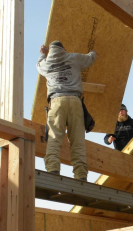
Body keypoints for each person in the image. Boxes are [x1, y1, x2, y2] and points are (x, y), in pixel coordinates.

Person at [36, 40, 97, 181]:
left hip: (56, 102)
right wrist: (93, 50)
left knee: (54, 138)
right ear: (64, 49)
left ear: (50, 51)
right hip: (75, 102)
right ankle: (81, 175)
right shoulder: (73, 57)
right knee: (78, 141)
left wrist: (43, 54)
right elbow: (91, 58)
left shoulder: (46, 64)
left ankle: (53, 169)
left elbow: (38, 66)